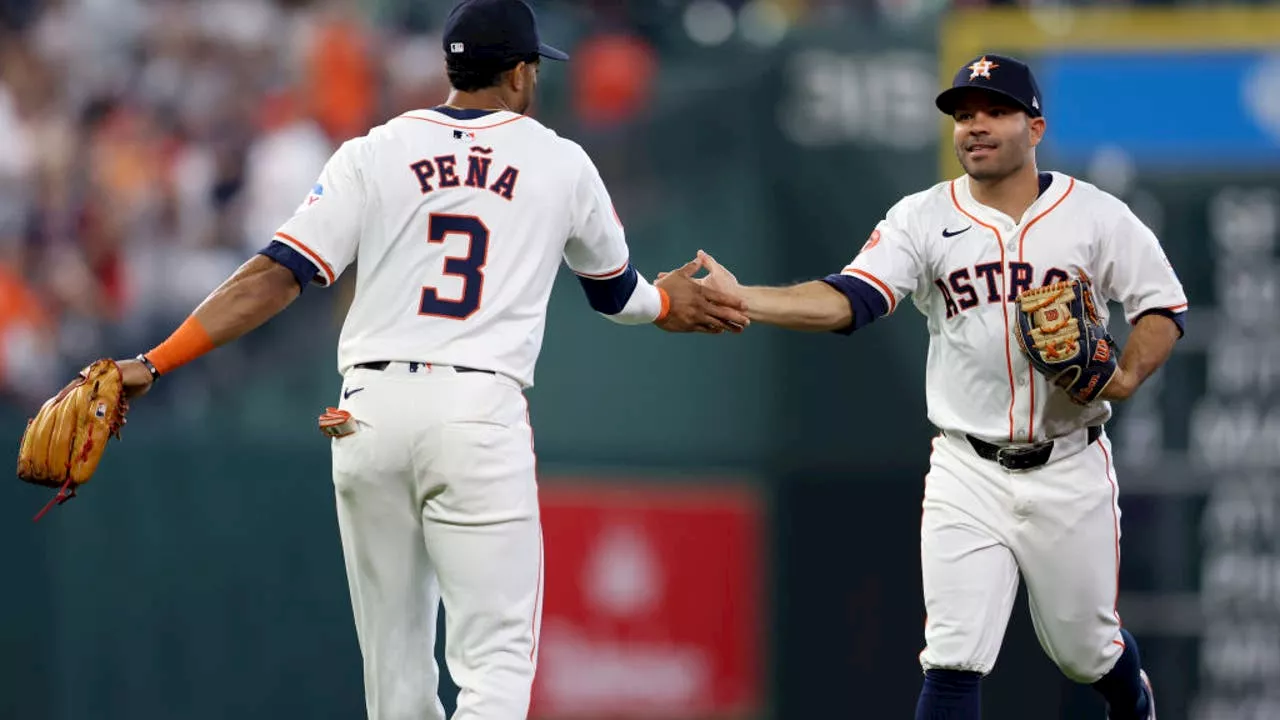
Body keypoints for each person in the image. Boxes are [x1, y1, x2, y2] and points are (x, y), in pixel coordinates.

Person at [110, 1, 749, 718]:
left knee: (396, 684)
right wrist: (665, 305)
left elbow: (273, 275)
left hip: (365, 414)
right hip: (476, 412)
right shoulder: (560, 161)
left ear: (450, 66)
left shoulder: (374, 149)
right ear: (520, 74)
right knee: (495, 666)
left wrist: (157, 361)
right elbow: (616, 293)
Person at [694, 54, 1183, 719]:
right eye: (963, 115)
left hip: (1068, 462)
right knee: (952, 657)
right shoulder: (922, 217)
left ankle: (1134, 699)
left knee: (1085, 652)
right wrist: (745, 298)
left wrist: (1124, 374)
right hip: (966, 467)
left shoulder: (1093, 215)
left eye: (995, 111)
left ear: (1034, 127)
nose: (974, 127)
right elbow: (850, 299)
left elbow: (1162, 306)